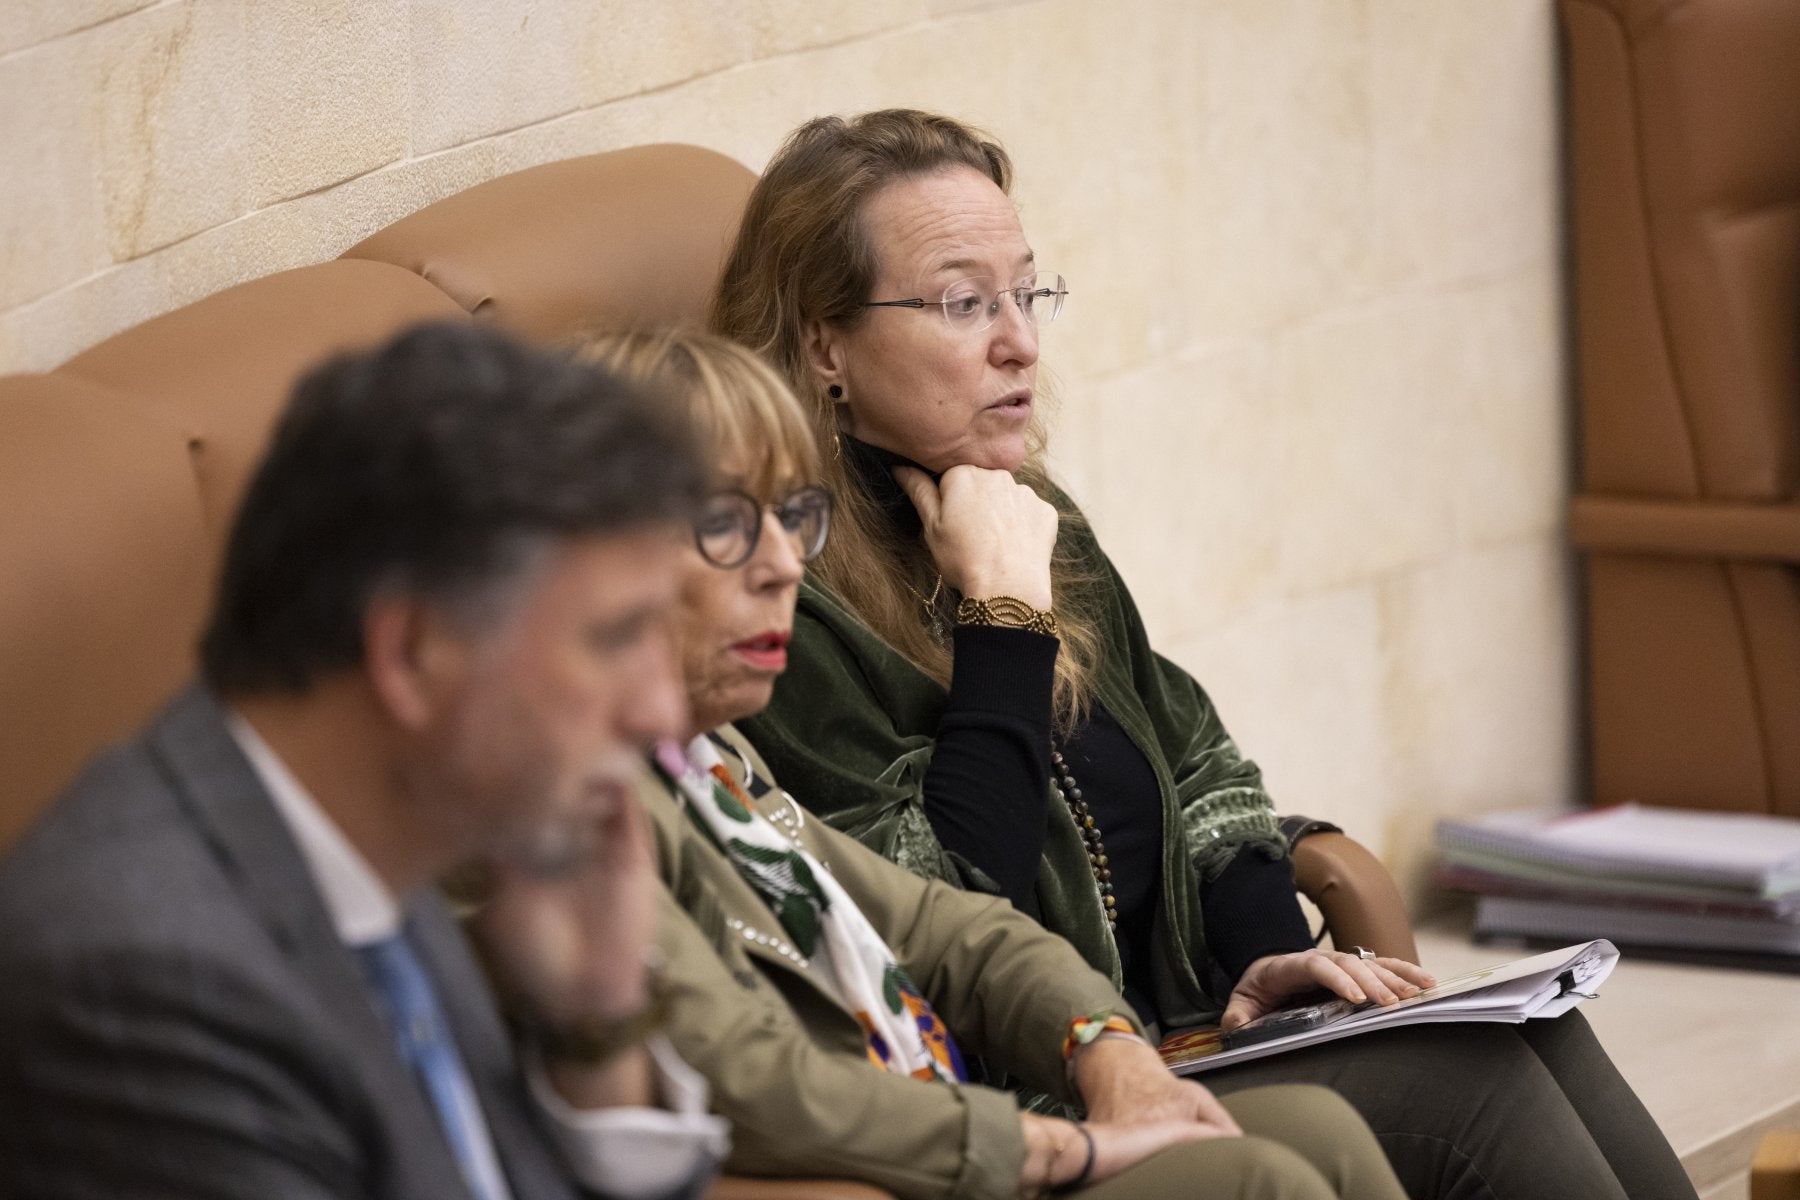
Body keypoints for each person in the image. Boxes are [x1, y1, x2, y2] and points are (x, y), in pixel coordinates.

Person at [709, 109, 1699, 1200]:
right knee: (1477, 1087)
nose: (1021, 342)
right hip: (1037, 1102)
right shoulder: (776, 602)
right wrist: (1002, 620)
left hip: (1190, 1035)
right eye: (961, 303)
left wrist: (1278, 969)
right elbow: (942, 910)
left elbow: (1196, 761)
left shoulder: (1023, 510)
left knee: (1539, 1037)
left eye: (1026, 293)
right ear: (822, 345)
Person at [576, 327, 1408, 1200]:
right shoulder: (573, 804)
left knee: (1328, 1129)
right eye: (726, 526)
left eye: (793, 519)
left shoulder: (707, 757)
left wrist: (1101, 1040)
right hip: (925, 1155)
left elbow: (950, 930)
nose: (785, 565)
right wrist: (1044, 1145)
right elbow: (756, 1078)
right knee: (1256, 1181)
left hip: (1046, 1087)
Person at [0, 322, 728, 1200]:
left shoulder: (385, 830)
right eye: (615, 638)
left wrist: (595, 1022)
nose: (661, 709)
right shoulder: (144, 988)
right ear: (412, 653)